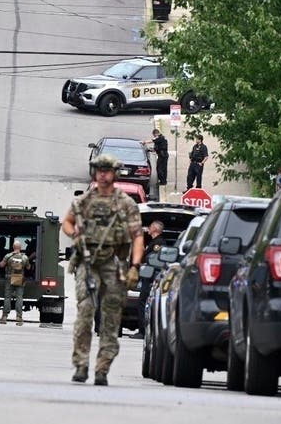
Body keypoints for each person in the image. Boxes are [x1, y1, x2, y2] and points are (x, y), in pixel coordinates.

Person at [62, 154, 144, 386]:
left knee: (111, 316)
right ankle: (81, 364)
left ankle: (102, 368)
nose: (102, 174)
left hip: (113, 262)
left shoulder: (125, 204)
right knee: (85, 311)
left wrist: (135, 267)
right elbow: (66, 222)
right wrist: (74, 234)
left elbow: (138, 237)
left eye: (107, 170)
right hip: (87, 262)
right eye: (99, 170)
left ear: (114, 173)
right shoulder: (84, 201)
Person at [133, 220, 168, 338]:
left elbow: (153, 259)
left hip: (151, 277)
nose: (148, 228)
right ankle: (143, 330)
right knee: (142, 302)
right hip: (147, 276)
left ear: (156, 229)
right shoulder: (153, 242)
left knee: (143, 302)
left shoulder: (159, 243)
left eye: (150, 226)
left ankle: (143, 331)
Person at [0, 240, 30, 325]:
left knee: (7, 297)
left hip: (9, 278)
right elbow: (28, 268)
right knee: (19, 297)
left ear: (13, 247)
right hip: (19, 278)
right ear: (20, 248)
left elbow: (2, 265)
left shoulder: (8, 256)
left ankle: (4, 316)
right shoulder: (24, 257)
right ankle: (19, 317)